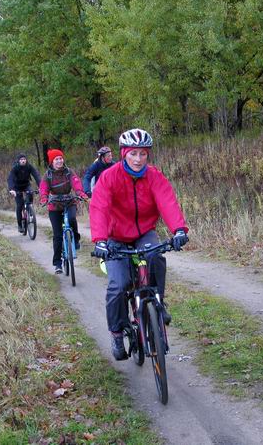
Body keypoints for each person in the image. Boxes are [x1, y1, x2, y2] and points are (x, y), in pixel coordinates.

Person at [89, 128, 189, 361]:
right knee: (119, 284)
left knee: (156, 257)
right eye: (133, 153)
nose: (138, 159)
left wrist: (179, 230)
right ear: (124, 153)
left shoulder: (153, 176)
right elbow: (100, 208)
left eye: (143, 154)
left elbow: (167, 200)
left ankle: (158, 303)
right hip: (115, 238)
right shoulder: (110, 177)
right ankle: (116, 332)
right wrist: (101, 240)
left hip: (144, 232)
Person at [39, 149, 88, 274]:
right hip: (54, 206)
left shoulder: (68, 172)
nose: (60, 161)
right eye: (57, 159)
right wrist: (44, 198)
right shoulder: (48, 175)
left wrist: (80, 193)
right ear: (52, 161)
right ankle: (57, 264)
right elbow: (43, 188)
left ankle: (75, 239)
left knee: (72, 219)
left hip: (68, 201)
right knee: (57, 235)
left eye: (61, 158)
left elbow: (76, 182)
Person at [7, 153, 41, 233]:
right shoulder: (15, 168)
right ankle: (20, 225)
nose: (23, 161)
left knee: (30, 193)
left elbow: (36, 175)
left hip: (26, 185)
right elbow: (10, 178)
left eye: (24, 159)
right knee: (19, 205)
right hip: (16, 187)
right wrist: (11, 189)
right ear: (18, 161)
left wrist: (41, 186)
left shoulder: (29, 166)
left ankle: (29, 208)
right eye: (21, 160)